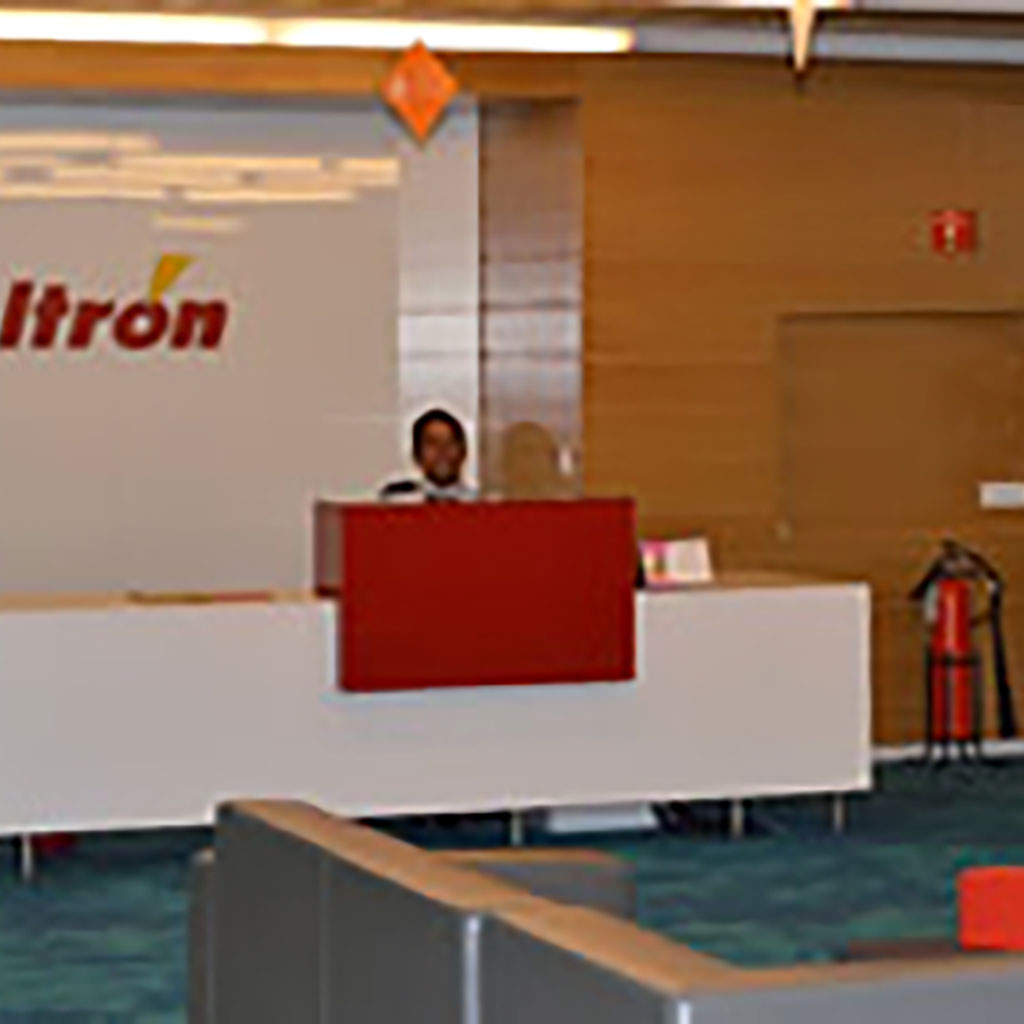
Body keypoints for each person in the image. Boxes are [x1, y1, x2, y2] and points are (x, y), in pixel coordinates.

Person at [380, 408, 476, 502]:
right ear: (416, 453)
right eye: (432, 443)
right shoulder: (396, 499)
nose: (442, 451)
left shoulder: (477, 499)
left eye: (449, 442)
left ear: (464, 452)